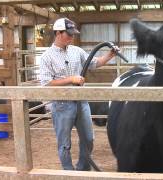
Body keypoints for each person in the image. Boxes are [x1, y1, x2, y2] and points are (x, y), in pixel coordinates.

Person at [39, 18, 118, 171]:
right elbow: (47, 83)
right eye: (68, 34)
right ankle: (69, 171)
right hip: (61, 104)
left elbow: (94, 63)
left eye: (72, 34)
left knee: (88, 138)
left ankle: (83, 168)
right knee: (64, 143)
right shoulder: (46, 57)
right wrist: (71, 79)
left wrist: (110, 55)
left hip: (81, 101)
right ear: (58, 33)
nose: (71, 37)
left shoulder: (77, 51)